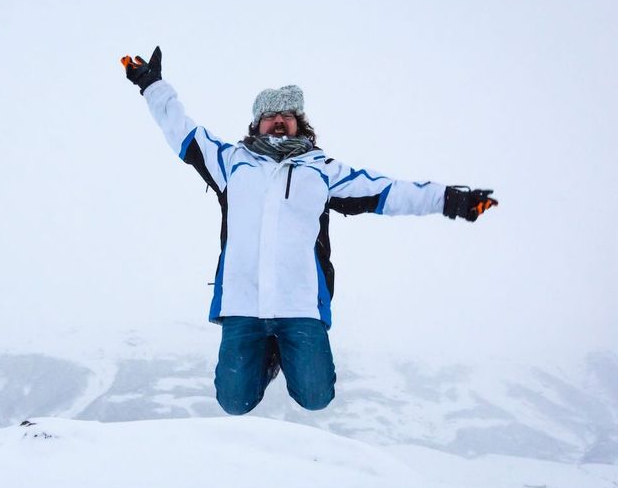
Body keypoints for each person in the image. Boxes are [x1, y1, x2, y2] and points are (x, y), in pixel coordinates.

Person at [120, 46, 497, 415]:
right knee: (234, 402)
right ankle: (268, 358)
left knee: (316, 397)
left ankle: (285, 350)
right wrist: (152, 85)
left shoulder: (322, 171)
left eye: (287, 114)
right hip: (242, 302)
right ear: (256, 123)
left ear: (300, 123)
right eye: (270, 115)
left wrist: (452, 200)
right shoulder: (231, 162)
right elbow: (182, 132)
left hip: (298, 303)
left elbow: (389, 191)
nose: (278, 120)